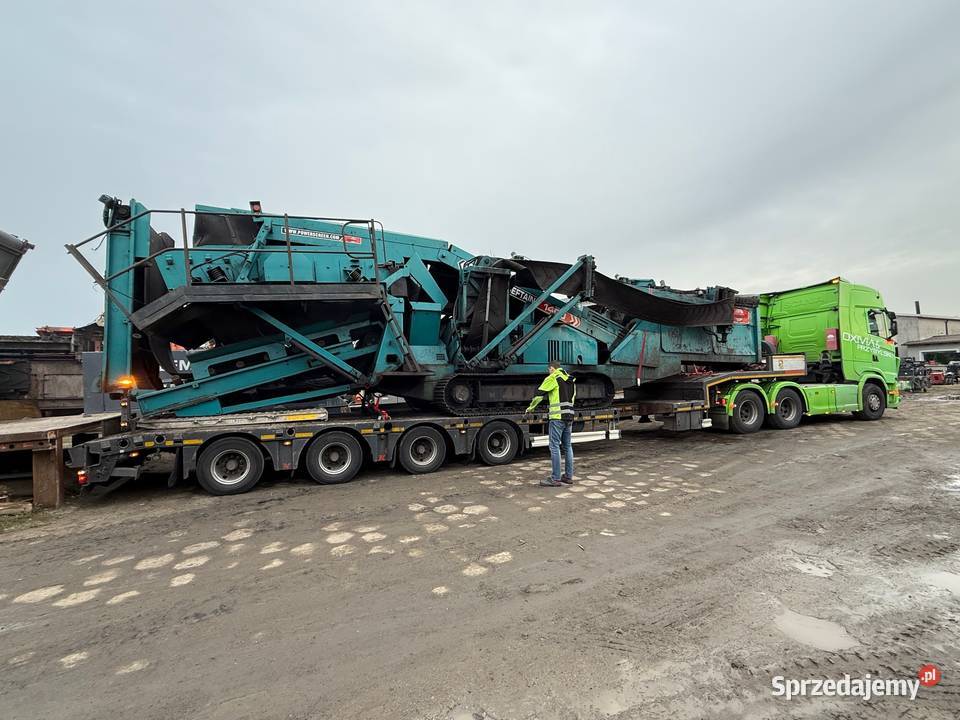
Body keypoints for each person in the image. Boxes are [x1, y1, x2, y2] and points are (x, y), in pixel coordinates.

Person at [525, 361, 576, 487]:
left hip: (557, 417)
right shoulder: (570, 380)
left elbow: (539, 395)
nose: (548, 372)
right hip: (569, 417)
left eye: (549, 369)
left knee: (554, 447)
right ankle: (568, 477)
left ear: (552, 368)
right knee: (567, 446)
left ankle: (555, 478)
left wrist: (530, 409)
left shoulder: (553, 377)